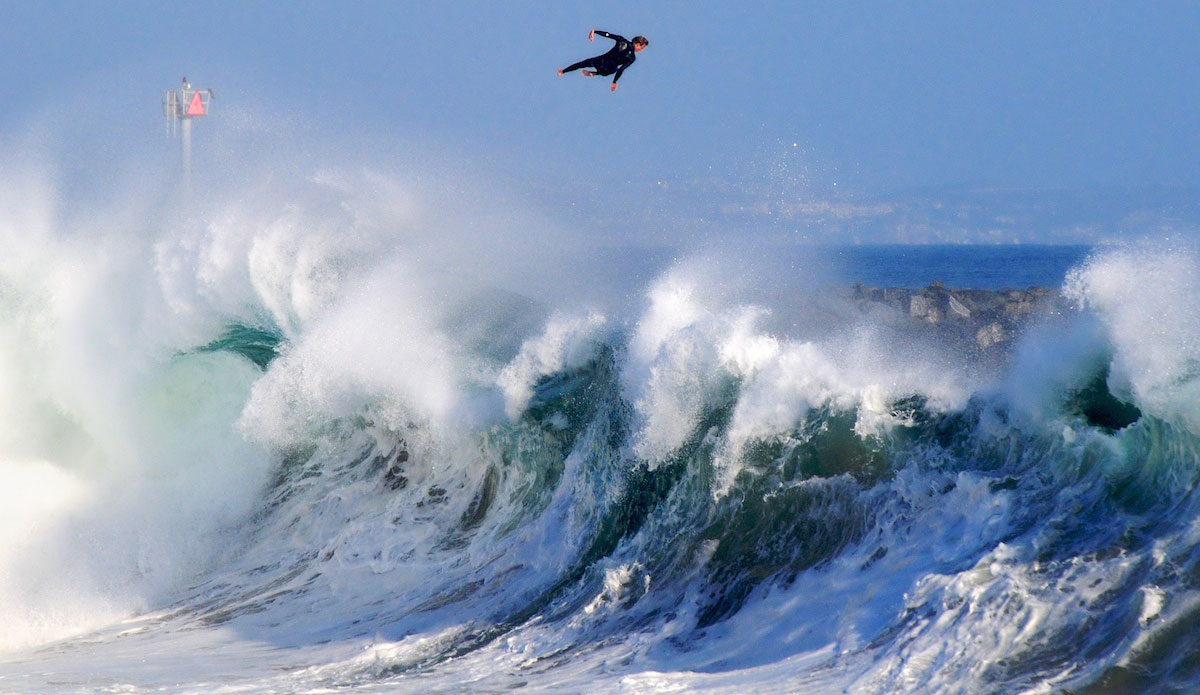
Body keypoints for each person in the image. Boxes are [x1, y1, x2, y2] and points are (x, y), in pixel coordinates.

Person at [558, 30, 648, 92]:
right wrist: (614, 82)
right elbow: (621, 70)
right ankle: (595, 73)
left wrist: (594, 31)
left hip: (599, 60)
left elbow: (607, 34)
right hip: (607, 69)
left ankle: (563, 71)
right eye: (642, 47)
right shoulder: (632, 57)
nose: (642, 50)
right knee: (614, 69)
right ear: (637, 44)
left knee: (581, 64)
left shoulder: (621, 40)